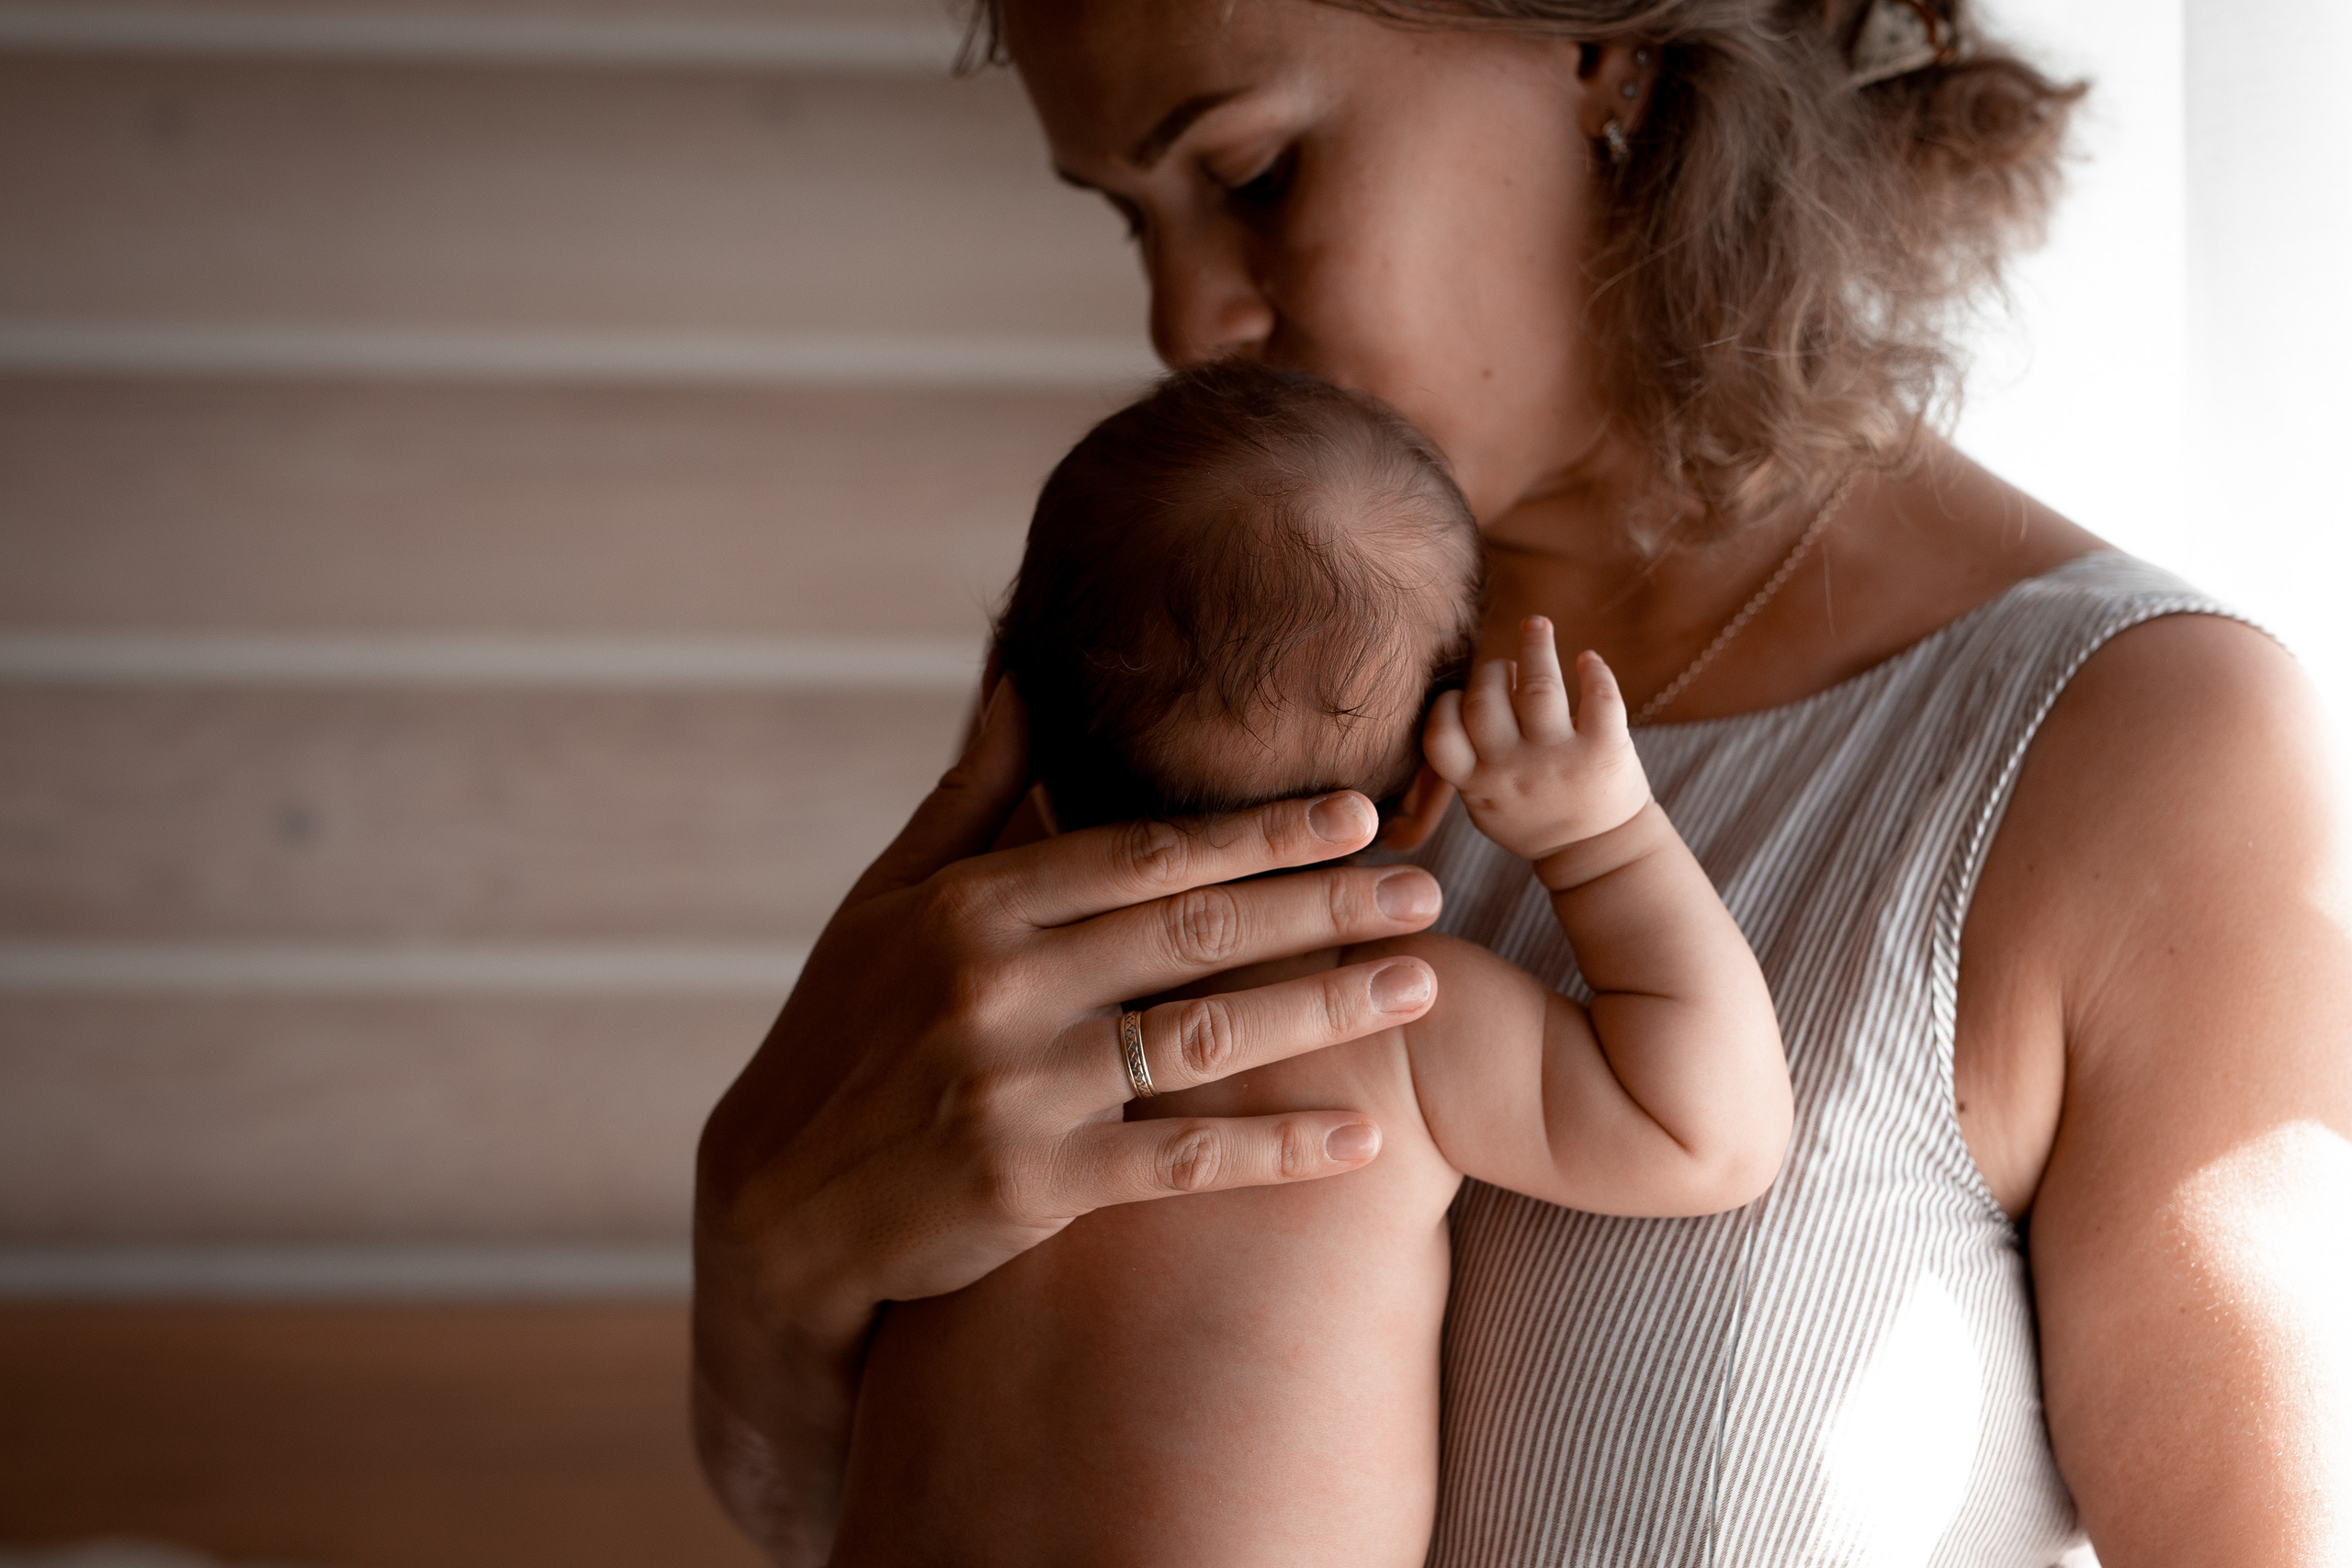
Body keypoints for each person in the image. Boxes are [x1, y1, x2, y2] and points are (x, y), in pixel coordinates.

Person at [692, 0, 2352, 1562]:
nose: (1180, 325)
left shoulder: (2137, 745)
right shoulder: (1228, 684)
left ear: (1602, 50)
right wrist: (765, 1264)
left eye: (1253, 173)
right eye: (1128, 220)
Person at [827, 361, 1793, 1562]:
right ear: (1432, 783)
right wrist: (1601, 843)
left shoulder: (959, 1034)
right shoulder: (1390, 1025)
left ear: (1001, 710)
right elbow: (1711, 1134)